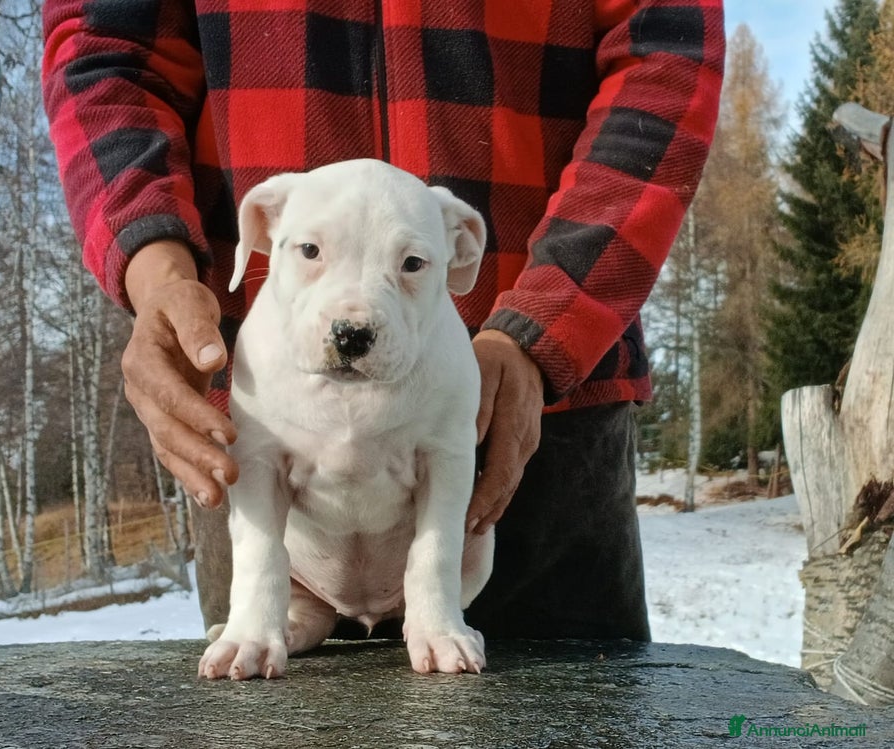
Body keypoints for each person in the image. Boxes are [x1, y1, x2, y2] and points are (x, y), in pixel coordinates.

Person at [42, 0, 725, 640]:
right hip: (264, 417)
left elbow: (665, 49)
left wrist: (553, 316)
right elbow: (106, 51)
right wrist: (154, 264)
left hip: (537, 410)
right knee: (259, 703)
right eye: (310, 250)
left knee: (573, 718)